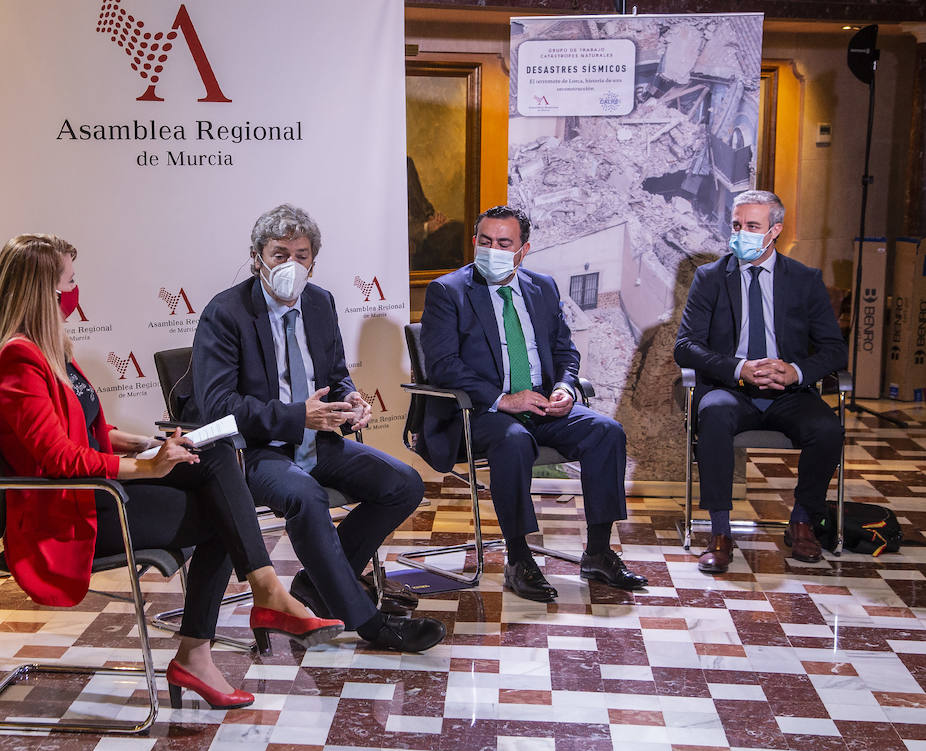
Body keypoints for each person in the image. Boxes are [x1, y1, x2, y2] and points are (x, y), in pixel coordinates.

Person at [0, 234, 342, 711]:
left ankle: (254, 602)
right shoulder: (17, 361)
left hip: (96, 491)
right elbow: (59, 458)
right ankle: (215, 638)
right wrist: (146, 466)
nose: (76, 291)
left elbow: (87, 430)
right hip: (72, 512)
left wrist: (145, 443)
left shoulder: (49, 350)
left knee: (214, 451)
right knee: (222, 514)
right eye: (70, 282)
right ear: (44, 292)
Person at [191, 205, 445, 653]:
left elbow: (335, 373)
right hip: (256, 451)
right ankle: (369, 623)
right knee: (306, 497)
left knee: (404, 484)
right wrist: (296, 417)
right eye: (279, 254)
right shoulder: (225, 312)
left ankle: (316, 584)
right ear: (256, 258)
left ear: (313, 261)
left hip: (317, 440)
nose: (290, 265)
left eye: (301, 255)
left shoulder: (320, 301)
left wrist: (350, 399)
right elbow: (218, 406)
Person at [418, 205, 647, 602]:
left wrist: (565, 388)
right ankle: (519, 559)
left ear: (523, 250)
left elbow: (565, 350)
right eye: (485, 241)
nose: (492, 250)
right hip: (479, 411)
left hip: (540, 402)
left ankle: (598, 552)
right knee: (514, 440)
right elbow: (443, 365)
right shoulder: (448, 291)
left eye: (504, 243)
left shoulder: (542, 287)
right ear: (474, 242)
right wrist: (503, 399)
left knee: (606, 432)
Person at [674, 190, 847, 572]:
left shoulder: (804, 280)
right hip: (730, 389)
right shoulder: (710, 278)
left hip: (790, 393)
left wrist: (795, 371)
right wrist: (739, 368)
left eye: (752, 226)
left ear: (775, 230)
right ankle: (720, 533)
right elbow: (685, 347)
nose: (741, 234)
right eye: (736, 225)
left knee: (827, 430)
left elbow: (835, 350)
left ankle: (802, 522)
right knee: (714, 416)